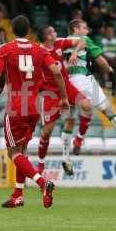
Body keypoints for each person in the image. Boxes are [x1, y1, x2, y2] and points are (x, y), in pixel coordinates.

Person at [0, 15, 69, 209]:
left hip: (17, 106)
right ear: (29, 31)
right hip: (35, 106)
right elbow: (57, 72)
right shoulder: (40, 49)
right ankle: (18, 195)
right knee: (22, 151)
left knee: (13, 153)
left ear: (11, 30)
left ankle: (43, 183)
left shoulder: (5, 49)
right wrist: (64, 97)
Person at [62, 19, 116, 164]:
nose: (87, 30)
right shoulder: (84, 39)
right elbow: (101, 61)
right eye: (84, 27)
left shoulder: (63, 42)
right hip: (84, 80)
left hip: (68, 83)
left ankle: (66, 157)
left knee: (70, 119)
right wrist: (109, 69)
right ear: (75, 29)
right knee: (109, 112)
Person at [37, 25, 93, 175]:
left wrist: (74, 53)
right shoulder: (39, 52)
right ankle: (41, 163)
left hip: (66, 87)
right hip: (50, 93)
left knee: (87, 106)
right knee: (46, 132)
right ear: (48, 36)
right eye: (53, 31)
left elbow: (83, 40)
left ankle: (77, 141)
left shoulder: (60, 43)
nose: (56, 33)